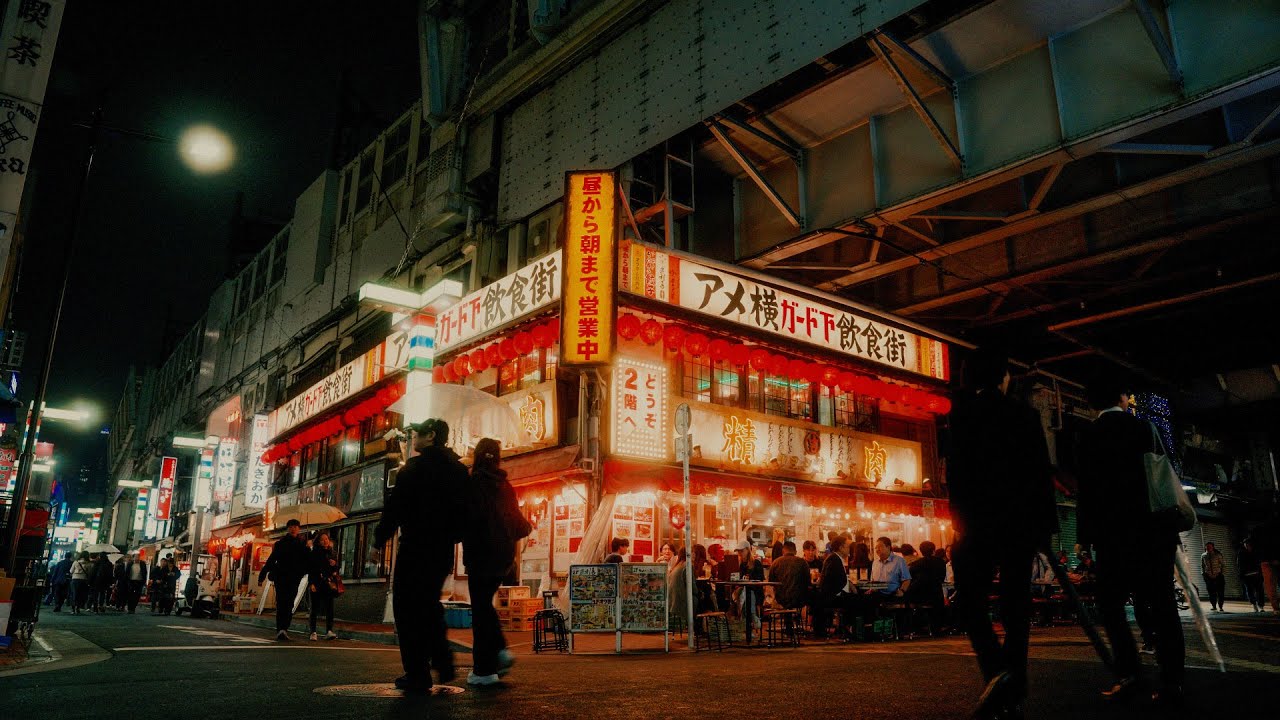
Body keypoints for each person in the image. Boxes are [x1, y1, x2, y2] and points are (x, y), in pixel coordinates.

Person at [945, 350, 1056, 719]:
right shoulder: (1023, 415)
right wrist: (1044, 529)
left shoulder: (961, 417)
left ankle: (997, 671)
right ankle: (1013, 681)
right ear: (1004, 376)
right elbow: (1041, 475)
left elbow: (956, 477)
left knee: (970, 603)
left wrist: (959, 520)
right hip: (1019, 524)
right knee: (1015, 606)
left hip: (977, 524)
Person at [1079, 378, 1185, 705]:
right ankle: (1172, 680)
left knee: (1110, 606)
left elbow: (1087, 490)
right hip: (1154, 532)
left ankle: (1129, 674)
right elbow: (1164, 474)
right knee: (1163, 603)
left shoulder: (1087, 436)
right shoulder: (1146, 429)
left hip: (1113, 536)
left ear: (1092, 404)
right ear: (1123, 398)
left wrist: (1085, 538)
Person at [374, 418, 468, 692]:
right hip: (441, 550)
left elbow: (395, 508)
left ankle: (417, 672)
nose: (413, 437)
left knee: (407, 608)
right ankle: (442, 658)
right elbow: (465, 511)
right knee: (428, 604)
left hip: (415, 547)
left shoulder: (414, 469)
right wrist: (454, 535)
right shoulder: (459, 471)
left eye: (417, 433)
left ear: (431, 436)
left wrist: (379, 539)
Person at [461, 438, 532, 686]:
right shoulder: (506, 485)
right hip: (503, 557)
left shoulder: (473, 484)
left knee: (480, 610)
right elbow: (520, 523)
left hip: (480, 554)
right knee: (484, 606)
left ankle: (485, 668)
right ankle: (494, 661)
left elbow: (466, 520)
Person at [258, 518, 309, 640]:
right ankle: (280, 629)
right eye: (291, 526)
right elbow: (272, 559)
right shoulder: (281, 543)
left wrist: (307, 550)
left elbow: (307, 561)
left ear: (299, 529)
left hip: (294, 578)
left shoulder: (302, 544)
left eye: (296, 526)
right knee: (281, 602)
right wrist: (262, 574)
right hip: (281, 577)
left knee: (290, 603)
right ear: (288, 528)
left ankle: (284, 628)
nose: (293, 528)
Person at [815, 535, 849, 639]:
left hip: (827, 596)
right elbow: (838, 582)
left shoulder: (833, 558)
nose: (848, 549)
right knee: (856, 601)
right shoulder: (834, 559)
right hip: (830, 597)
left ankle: (844, 628)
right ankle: (848, 628)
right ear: (841, 547)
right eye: (847, 546)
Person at [308, 531, 340, 641]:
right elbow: (311, 569)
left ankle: (329, 630)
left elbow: (336, 569)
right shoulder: (314, 553)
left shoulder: (332, 553)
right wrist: (311, 583)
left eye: (327, 539)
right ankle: (313, 632)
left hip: (329, 583)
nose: (325, 541)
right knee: (315, 608)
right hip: (317, 582)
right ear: (318, 541)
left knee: (329, 608)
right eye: (322, 539)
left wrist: (334, 565)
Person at [733, 540, 765, 644]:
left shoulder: (756, 563)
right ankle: (751, 618)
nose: (739, 554)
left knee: (748, 595)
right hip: (746, 591)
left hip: (755, 592)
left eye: (741, 551)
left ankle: (751, 617)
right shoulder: (742, 564)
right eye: (738, 552)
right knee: (742, 595)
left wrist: (749, 579)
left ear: (747, 550)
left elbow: (760, 580)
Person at [768, 540, 809, 611]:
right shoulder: (803, 562)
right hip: (799, 599)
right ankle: (797, 617)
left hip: (781, 599)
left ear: (783, 551)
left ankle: (789, 618)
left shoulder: (775, 562)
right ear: (795, 552)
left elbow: (771, 581)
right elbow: (808, 581)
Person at [1239, 538, 1264, 612]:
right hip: (1247, 575)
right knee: (1250, 591)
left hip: (1257, 574)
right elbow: (1240, 565)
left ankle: (1261, 606)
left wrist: (1261, 573)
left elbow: (1260, 563)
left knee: (1260, 590)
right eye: (1245, 544)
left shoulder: (1256, 552)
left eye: (1248, 544)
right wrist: (1241, 574)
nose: (1246, 545)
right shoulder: (1241, 553)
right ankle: (1254, 604)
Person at [1201, 542, 1226, 612]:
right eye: (1207, 547)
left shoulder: (1217, 554)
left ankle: (1221, 606)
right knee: (1211, 592)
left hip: (1218, 576)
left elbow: (1223, 565)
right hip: (1208, 577)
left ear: (1213, 547)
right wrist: (1204, 574)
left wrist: (1221, 573)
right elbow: (1202, 566)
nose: (1208, 548)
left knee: (1220, 592)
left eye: (1210, 546)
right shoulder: (1203, 555)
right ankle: (1214, 606)